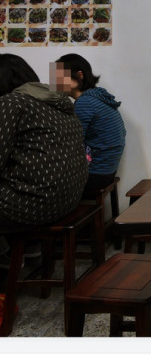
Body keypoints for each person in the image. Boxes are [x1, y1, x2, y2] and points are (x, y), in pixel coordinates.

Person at [0, 54, 88, 264]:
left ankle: (5, 260)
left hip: (34, 205)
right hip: (68, 198)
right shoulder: (58, 101)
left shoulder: (11, 102)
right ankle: (28, 247)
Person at [52, 54, 126, 199]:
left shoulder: (85, 103)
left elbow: (73, 143)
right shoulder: (99, 97)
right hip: (108, 170)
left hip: (95, 174)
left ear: (79, 75)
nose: (55, 82)